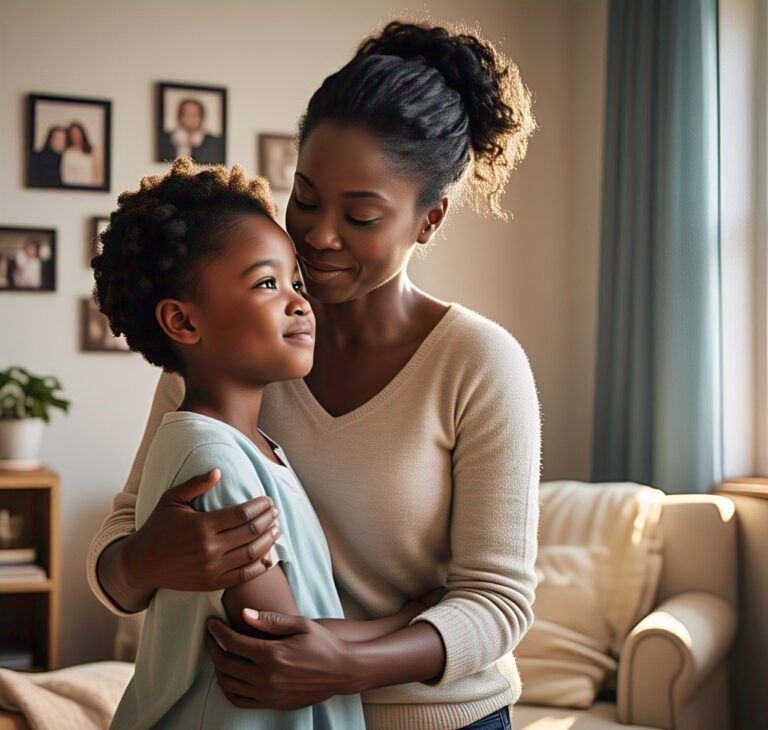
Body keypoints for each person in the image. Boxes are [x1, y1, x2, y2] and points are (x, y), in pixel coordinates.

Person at [88, 21, 540, 730]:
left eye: (361, 215)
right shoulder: (228, 348)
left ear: (429, 219)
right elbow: (121, 542)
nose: (320, 235)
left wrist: (349, 664)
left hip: (441, 717)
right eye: (305, 198)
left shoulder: (478, 364)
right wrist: (147, 560)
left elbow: (497, 601)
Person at [94, 158, 444, 728]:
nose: (300, 302)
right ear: (183, 322)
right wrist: (404, 621)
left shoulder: (257, 446)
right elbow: (278, 636)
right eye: (266, 284)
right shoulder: (210, 462)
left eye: (295, 283)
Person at [158, 98, 225, 164]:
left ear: (201, 117)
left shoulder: (214, 143)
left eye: (194, 115)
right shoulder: (165, 139)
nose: (190, 119)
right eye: (186, 114)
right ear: (179, 116)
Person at [61, 122, 99, 186]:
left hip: (87, 186)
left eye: (77, 133)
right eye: (72, 134)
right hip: (68, 187)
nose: (75, 136)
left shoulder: (92, 150)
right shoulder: (66, 151)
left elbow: (97, 173)